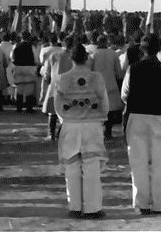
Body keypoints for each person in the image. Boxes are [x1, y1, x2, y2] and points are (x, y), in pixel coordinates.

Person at [121, 34, 161, 215]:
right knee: (160, 163)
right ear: (159, 49)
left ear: (141, 50)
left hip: (137, 118)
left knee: (138, 163)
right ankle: (160, 204)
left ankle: (142, 203)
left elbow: (125, 94)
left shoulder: (133, 69)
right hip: (160, 118)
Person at [54, 43, 109, 220]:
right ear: (86, 58)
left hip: (70, 124)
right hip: (92, 124)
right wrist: (101, 117)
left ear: (71, 58)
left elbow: (57, 105)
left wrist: (65, 118)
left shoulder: (62, 78)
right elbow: (104, 102)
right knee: (91, 166)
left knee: (71, 166)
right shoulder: (96, 77)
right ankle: (92, 208)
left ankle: (75, 207)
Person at [90, 35, 125, 139]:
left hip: (97, 85)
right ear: (106, 42)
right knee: (109, 110)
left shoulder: (94, 55)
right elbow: (119, 72)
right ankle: (108, 131)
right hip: (111, 84)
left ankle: (98, 131)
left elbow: (90, 71)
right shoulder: (113, 54)